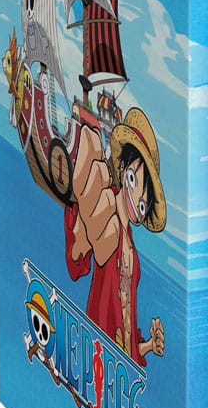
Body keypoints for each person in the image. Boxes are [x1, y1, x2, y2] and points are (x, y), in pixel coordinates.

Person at [64, 107, 166, 366]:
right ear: (122, 169)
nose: (137, 203)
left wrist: (147, 346)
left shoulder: (130, 246)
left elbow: (125, 328)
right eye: (133, 179)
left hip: (119, 368)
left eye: (144, 205)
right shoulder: (107, 219)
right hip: (98, 355)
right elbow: (77, 260)